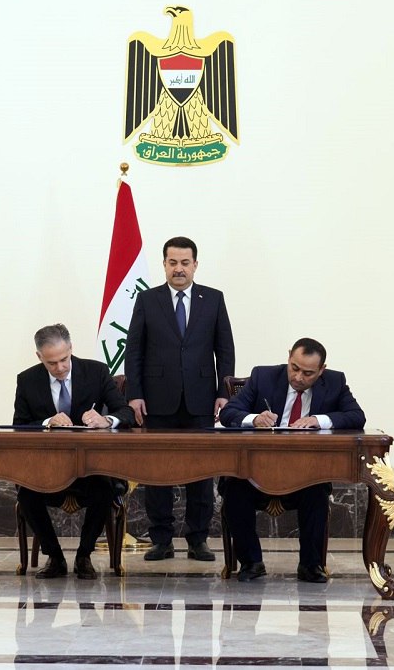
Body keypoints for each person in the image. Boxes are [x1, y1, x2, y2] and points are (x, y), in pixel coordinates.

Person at [218, 338, 366, 583]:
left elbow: (356, 416)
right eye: (294, 368)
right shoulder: (263, 377)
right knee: (234, 487)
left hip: (304, 473)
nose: (298, 377)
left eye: (308, 373)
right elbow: (228, 413)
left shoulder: (335, 382)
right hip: (258, 471)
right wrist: (254, 419)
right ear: (289, 357)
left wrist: (319, 420)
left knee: (317, 490)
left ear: (322, 370)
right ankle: (251, 563)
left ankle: (310, 565)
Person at [125, 236, 235, 562]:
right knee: (157, 473)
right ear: (164, 264)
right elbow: (134, 351)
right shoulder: (148, 299)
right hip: (157, 401)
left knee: (201, 475)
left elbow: (224, 350)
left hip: (201, 400)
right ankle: (161, 540)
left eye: (185, 263)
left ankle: (198, 539)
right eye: (172, 262)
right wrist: (134, 394)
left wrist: (224, 393)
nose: (179, 269)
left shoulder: (213, 299)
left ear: (195, 265)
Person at [13, 323, 135, 579]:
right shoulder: (27, 380)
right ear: (39, 357)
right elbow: (19, 426)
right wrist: (47, 422)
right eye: (52, 363)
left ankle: (84, 555)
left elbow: (126, 413)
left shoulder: (96, 372)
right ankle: (54, 557)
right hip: (47, 468)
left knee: (104, 489)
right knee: (26, 494)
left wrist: (106, 420)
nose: (60, 367)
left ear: (71, 348)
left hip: (89, 467)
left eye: (64, 359)